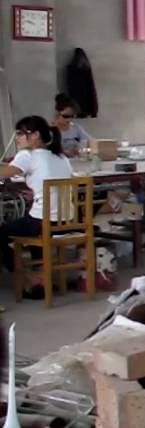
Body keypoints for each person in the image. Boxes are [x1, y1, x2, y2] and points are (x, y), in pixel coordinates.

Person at [0, 116, 73, 297]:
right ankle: (41, 275)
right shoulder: (60, 156)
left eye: (20, 134)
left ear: (35, 135)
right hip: (67, 220)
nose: (17, 138)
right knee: (30, 223)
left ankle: (28, 278)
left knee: (2, 231)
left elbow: (4, 173)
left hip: (43, 221)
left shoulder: (27, 155)